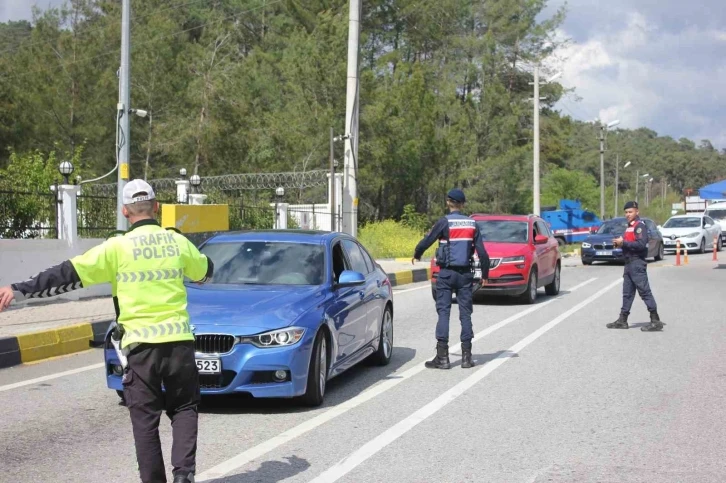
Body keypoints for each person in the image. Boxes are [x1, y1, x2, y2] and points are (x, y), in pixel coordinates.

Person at [0, 179, 214, 483]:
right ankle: (184, 476)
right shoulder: (176, 242)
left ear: (126, 211)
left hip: (140, 348)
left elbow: (66, 275)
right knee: (184, 408)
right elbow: (206, 272)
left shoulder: (117, 247)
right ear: (156, 207)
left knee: (145, 422)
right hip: (179, 342)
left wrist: (20, 290)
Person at [412, 188, 489, 369]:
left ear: (448, 203)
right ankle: (466, 357)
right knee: (465, 314)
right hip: (465, 275)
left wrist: (417, 253)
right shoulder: (472, 224)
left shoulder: (444, 223)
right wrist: (485, 275)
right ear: (462, 204)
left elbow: (428, 240)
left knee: (444, 312)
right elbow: (483, 253)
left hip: (446, 274)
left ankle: (443, 358)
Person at [608, 200, 663, 332]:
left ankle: (655, 320)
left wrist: (624, 244)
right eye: (626, 212)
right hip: (628, 263)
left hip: (637, 263)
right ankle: (623, 320)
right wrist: (619, 244)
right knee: (627, 293)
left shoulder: (640, 226)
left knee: (644, 292)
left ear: (637, 212)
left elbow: (641, 244)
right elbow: (629, 242)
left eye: (630, 212)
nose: (628, 214)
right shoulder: (629, 226)